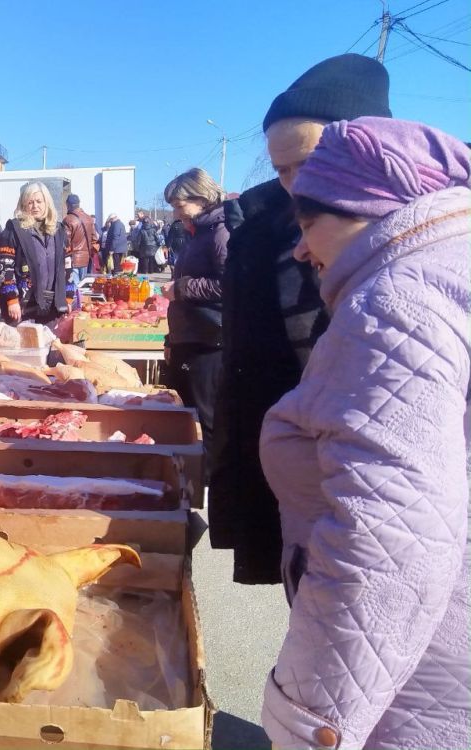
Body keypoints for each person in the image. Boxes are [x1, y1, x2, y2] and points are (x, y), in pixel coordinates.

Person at [260, 116, 470, 750]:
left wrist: (309, 724)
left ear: (364, 210)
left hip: (416, 676)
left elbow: (388, 538)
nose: (300, 249)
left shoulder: (395, 300)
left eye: (305, 222)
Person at [209, 54, 393, 584]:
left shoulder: (410, 235)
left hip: (365, 474)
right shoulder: (261, 231)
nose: (294, 184)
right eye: (281, 169)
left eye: (307, 163)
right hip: (288, 461)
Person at [161, 168, 228, 480]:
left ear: (202, 198)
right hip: (190, 338)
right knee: (189, 418)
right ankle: (189, 483)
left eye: (179, 205)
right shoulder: (197, 232)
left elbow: (230, 285)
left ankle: (209, 486)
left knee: (206, 422)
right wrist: (171, 340)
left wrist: (182, 288)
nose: (175, 213)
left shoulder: (220, 233)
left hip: (209, 341)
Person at [0, 182, 70, 324]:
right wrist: (11, 300)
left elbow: (67, 266)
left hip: (53, 305)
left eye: (39, 201)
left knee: (51, 343)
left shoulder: (59, 230)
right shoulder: (13, 230)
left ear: (47, 203)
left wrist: (68, 297)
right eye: (30, 202)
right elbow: (5, 269)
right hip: (24, 306)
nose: (35, 206)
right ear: (23, 205)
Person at [62, 193, 98, 289]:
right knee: (83, 287)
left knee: (74, 288)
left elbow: (65, 241)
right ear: (78, 204)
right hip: (86, 258)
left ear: (68, 205)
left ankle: (76, 304)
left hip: (72, 258)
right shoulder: (89, 218)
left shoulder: (68, 219)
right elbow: (95, 238)